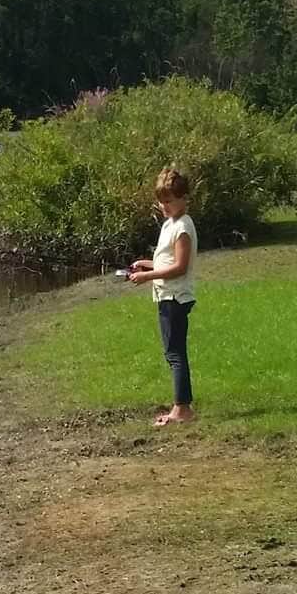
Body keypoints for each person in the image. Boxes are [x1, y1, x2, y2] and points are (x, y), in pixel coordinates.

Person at [127, 166, 197, 427]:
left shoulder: (183, 227)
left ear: (183, 198)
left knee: (175, 353)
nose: (164, 206)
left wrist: (147, 277)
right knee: (172, 351)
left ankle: (182, 409)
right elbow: (164, 259)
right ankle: (181, 406)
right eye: (161, 201)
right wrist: (144, 265)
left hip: (176, 296)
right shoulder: (170, 224)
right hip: (166, 294)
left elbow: (180, 266)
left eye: (169, 201)